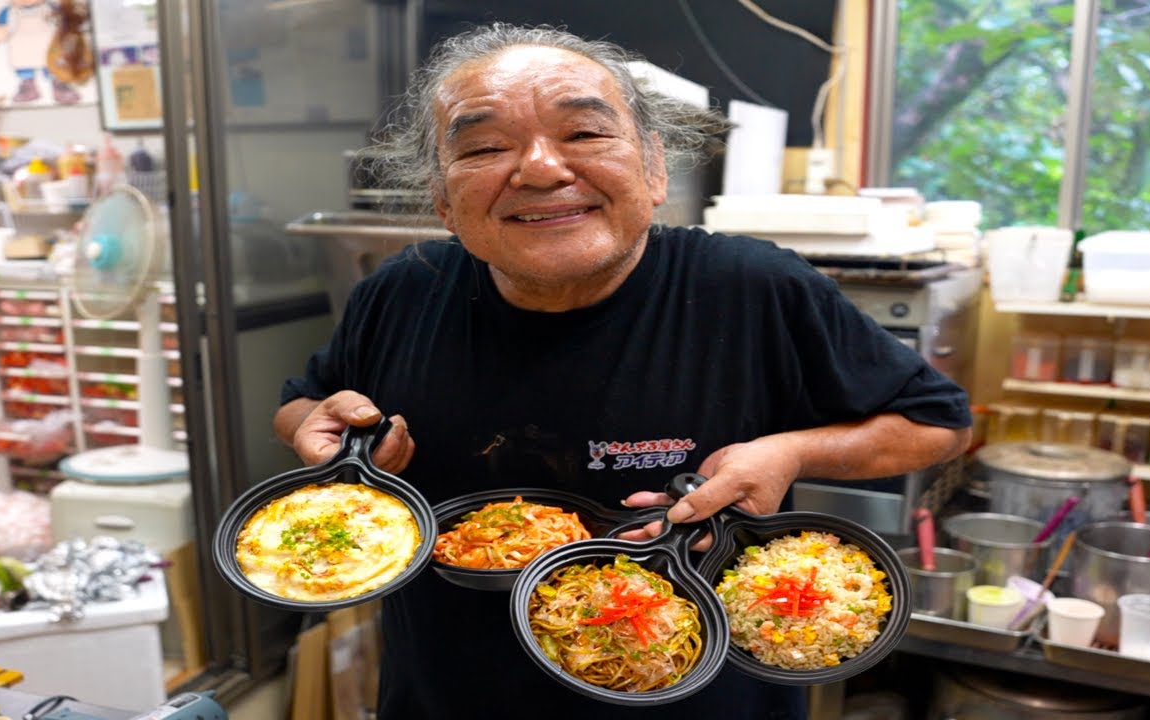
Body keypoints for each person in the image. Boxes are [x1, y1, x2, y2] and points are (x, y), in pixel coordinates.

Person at [274, 22, 972, 720]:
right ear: (443, 201)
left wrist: (791, 451)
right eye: (485, 147)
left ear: (654, 167)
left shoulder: (753, 289)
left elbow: (937, 423)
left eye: (583, 135)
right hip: (447, 693)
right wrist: (322, 431)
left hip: (694, 695)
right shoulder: (401, 290)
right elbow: (303, 405)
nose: (542, 169)